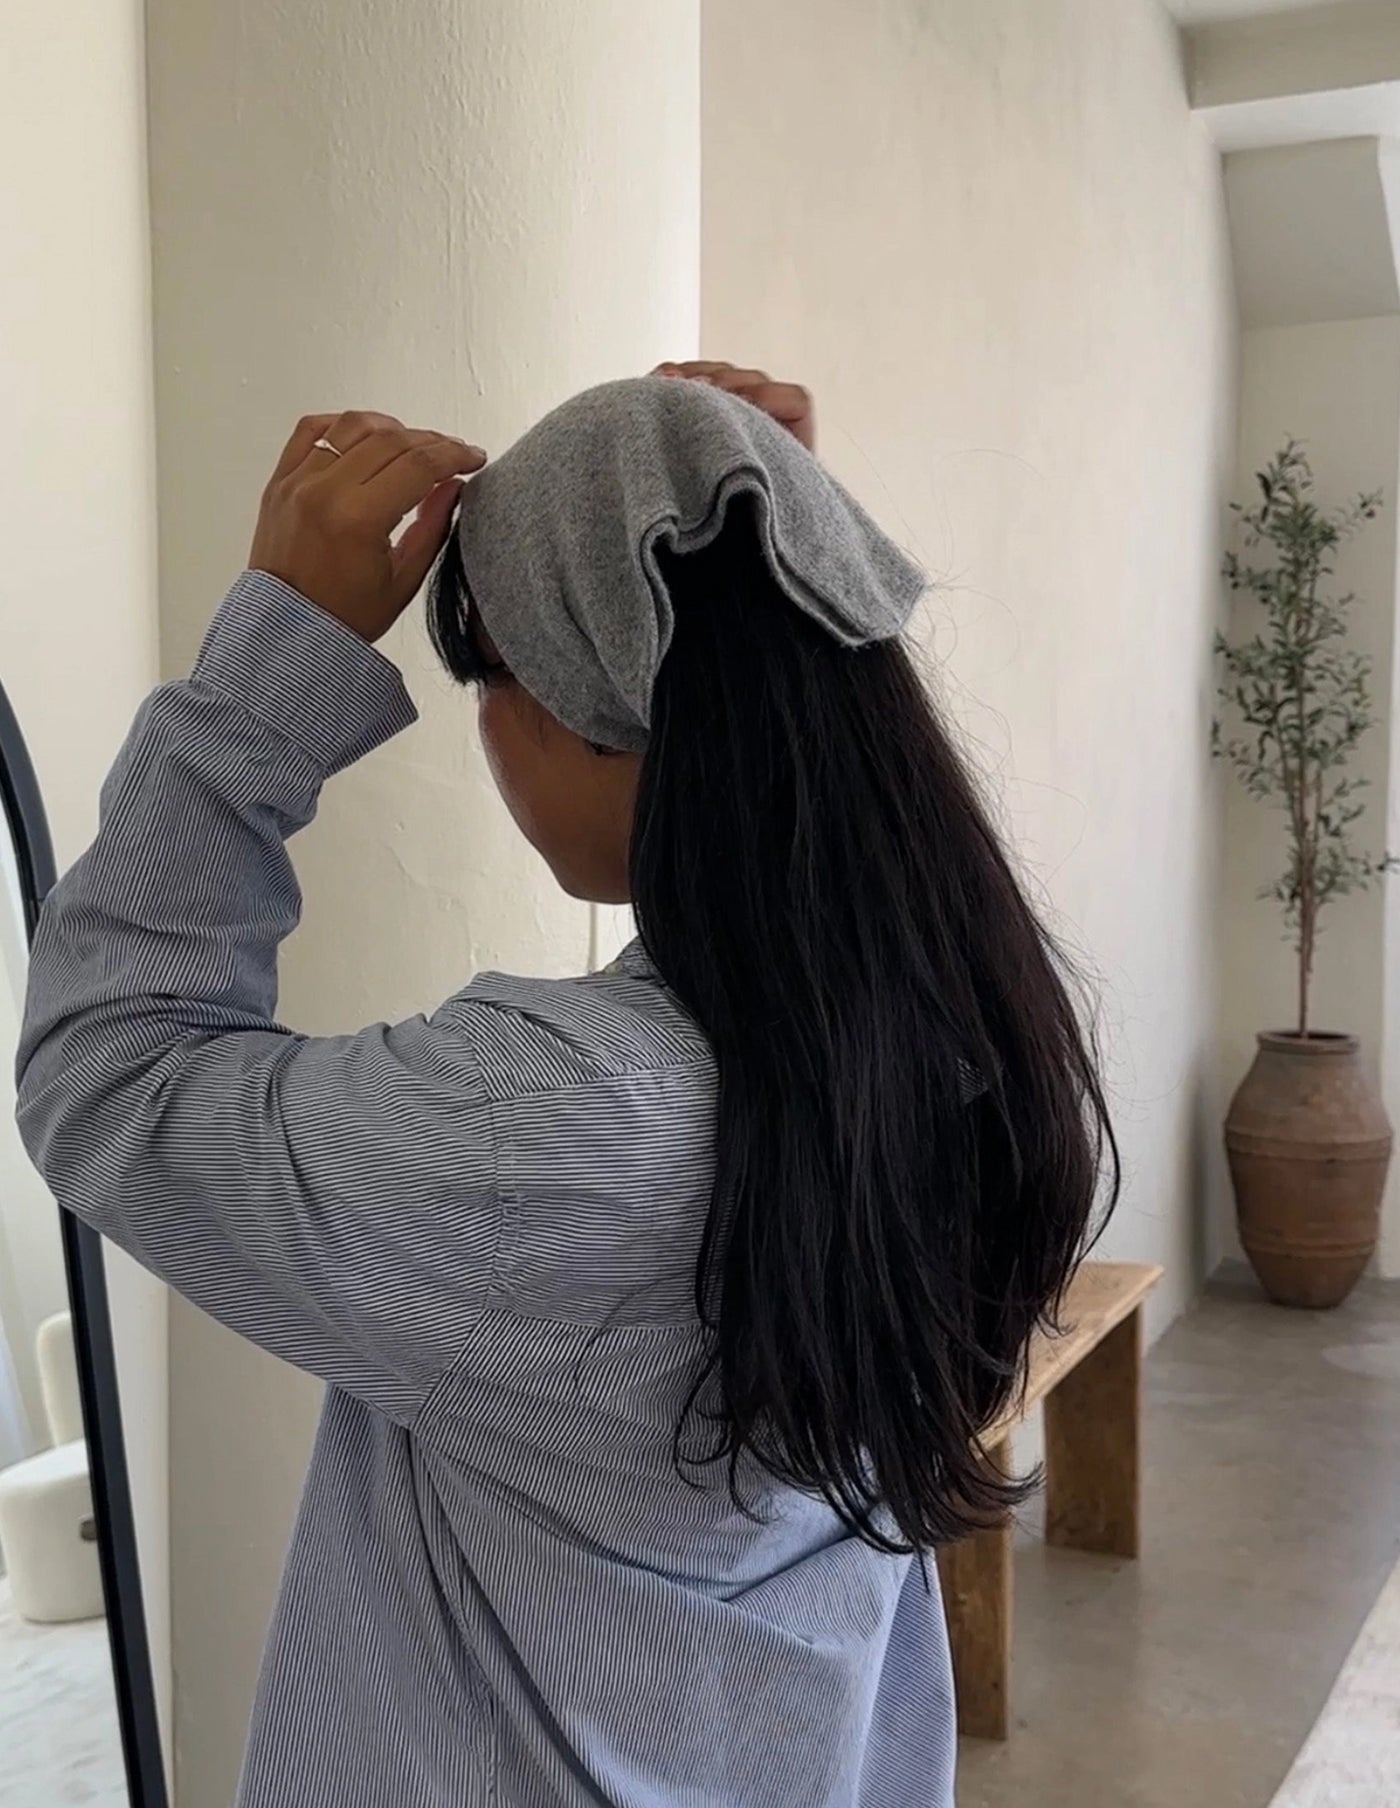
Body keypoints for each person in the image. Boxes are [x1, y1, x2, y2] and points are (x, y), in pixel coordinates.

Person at [17, 362, 1116, 1808]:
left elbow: (105, 1074)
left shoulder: (548, 1131)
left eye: (492, 680)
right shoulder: (958, 1017)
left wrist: (266, 671)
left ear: (601, 724)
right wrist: (755, 549)